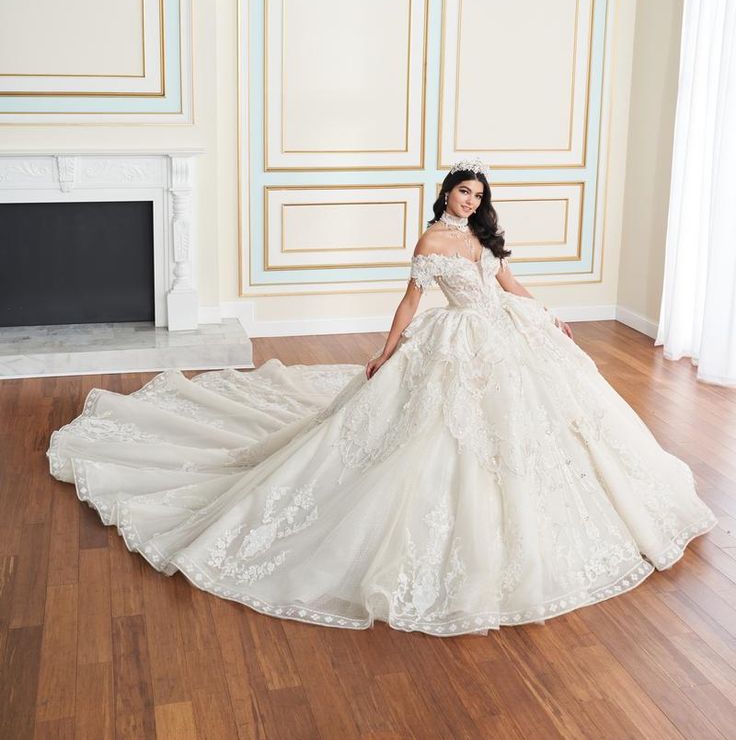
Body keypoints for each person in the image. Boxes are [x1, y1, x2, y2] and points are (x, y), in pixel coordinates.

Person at [47, 161, 717, 636]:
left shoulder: (485, 237)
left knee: (551, 423)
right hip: (455, 338)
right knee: (432, 430)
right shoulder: (431, 241)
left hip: (509, 335)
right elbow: (413, 299)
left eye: (477, 193)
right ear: (445, 194)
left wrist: (551, 316)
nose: (468, 200)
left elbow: (510, 284)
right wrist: (389, 348)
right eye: (461, 191)